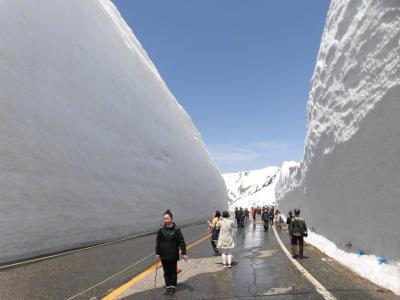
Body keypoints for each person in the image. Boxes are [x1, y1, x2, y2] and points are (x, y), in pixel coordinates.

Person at [156, 209, 189, 295]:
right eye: (165, 219)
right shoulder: (161, 229)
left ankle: (173, 287)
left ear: (171, 218)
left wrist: (184, 253)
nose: (166, 220)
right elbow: (158, 241)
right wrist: (157, 252)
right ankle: (168, 287)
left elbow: (181, 241)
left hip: (173, 254)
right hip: (163, 254)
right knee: (166, 272)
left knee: (173, 271)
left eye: (167, 218)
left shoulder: (176, 229)